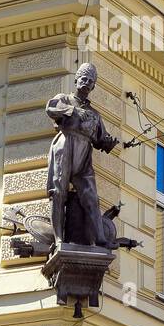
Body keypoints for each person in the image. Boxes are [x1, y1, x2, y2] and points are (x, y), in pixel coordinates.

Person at [46, 62, 119, 246]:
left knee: (91, 196)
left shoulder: (95, 114)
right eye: (83, 79)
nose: (86, 83)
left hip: (84, 152)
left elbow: (100, 139)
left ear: (93, 86)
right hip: (66, 145)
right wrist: (72, 110)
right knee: (58, 192)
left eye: (90, 81)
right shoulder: (65, 99)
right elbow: (50, 108)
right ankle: (59, 237)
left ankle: (101, 239)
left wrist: (109, 142)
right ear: (76, 80)